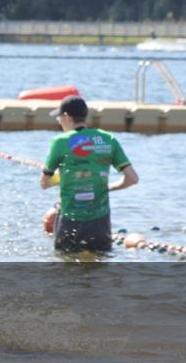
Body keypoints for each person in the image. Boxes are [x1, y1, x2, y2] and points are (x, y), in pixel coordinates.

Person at [40, 95, 139, 253]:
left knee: (65, 267)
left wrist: (61, 176)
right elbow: (132, 179)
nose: (59, 121)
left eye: (59, 117)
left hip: (70, 219)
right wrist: (110, 187)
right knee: (100, 266)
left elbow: (44, 183)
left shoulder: (60, 142)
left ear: (66, 117)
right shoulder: (108, 139)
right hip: (100, 222)